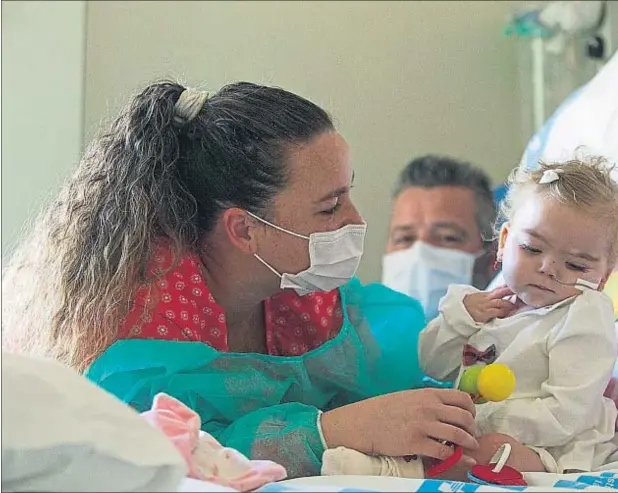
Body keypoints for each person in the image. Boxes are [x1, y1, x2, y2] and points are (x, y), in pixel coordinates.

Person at [1, 81, 487, 479]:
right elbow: (169, 454)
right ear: (245, 229)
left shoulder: (301, 290)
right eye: (329, 206)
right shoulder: (140, 325)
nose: (355, 220)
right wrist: (327, 432)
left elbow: (382, 391)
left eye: (348, 195)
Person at [328, 158, 618, 478]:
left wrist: (476, 420)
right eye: (532, 248)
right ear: (505, 243)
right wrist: (460, 319)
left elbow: (567, 415)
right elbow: (432, 364)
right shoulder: (482, 306)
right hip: (469, 427)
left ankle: (385, 470)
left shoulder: (583, 315)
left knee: (487, 450)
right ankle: (382, 461)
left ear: (602, 279)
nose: (548, 268)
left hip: (551, 446)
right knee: (406, 417)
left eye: (576, 265)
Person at [382, 155, 498, 321]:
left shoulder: (524, 342)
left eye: (447, 238)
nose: (420, 254)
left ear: (492, 257)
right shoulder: (353, 341)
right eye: (404, 238)